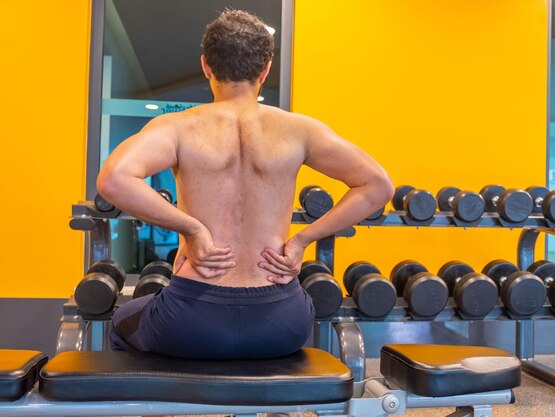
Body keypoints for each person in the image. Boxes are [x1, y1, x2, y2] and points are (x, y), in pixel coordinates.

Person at [97, 9, 394, 359]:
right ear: (265, 70)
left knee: (121, 323)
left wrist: (192, 229)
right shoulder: (299, 130)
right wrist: (302, 240)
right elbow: (378, 186)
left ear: (206, 66)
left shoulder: (177, 128)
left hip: (192, 320)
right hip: (282, 321)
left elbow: (113, 179)